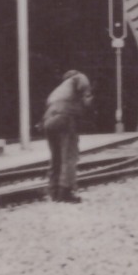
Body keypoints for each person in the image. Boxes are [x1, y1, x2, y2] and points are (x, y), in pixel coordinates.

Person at [43, 69, 92, 203]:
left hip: (48, 120)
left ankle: (54, 192)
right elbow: (87, 97)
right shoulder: (79, 77)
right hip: (65, 117)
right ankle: (66, 192)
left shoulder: (58, 90)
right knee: (69, 156)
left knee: (56, 157)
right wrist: (88, 103)